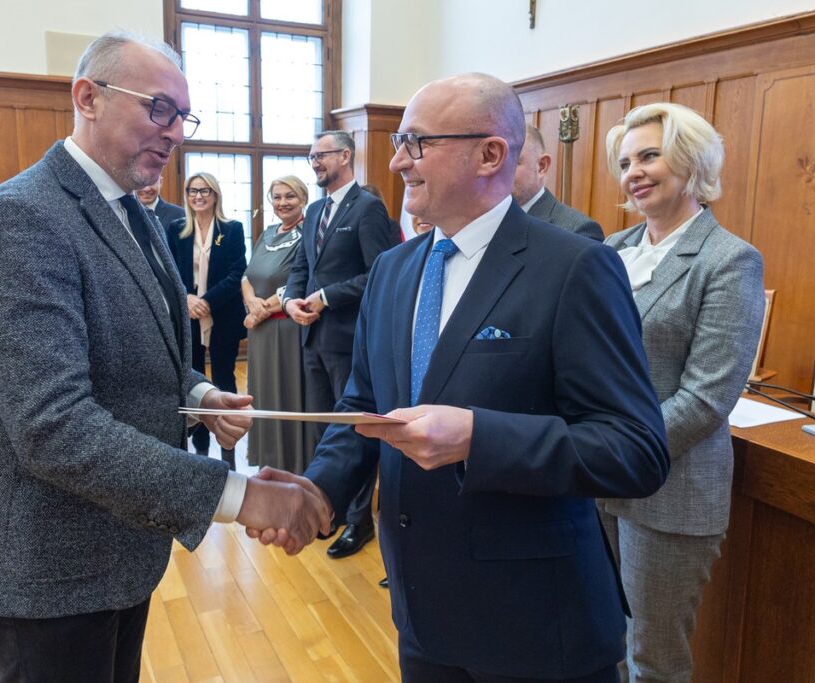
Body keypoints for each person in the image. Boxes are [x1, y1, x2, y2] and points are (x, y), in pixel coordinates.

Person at [0, 31, 329, 683]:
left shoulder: (134, 214)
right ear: (88, 97)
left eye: (182, 116)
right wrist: (239, 494)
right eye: (158, 108)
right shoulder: (19, 221)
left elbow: (144, 348)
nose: (173, 132)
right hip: (45, 568)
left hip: (118, 546)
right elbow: (54, 428)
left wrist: (202, 394)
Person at [258, 73, 669, 682]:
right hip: (422, 617)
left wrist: (480, 436)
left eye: (417, 143)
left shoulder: (575, 267)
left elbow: (635, 450)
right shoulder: (394, 271)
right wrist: (319, 489)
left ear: (490, 154)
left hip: (536, 624)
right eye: (400, 141)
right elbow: (364, 403)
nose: (397, 161)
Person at [598, 103, 765, 683]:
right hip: (595, 482)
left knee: (655, 658)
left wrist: (612, 452)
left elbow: (706, 399)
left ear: (691, 161)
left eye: (649, 155)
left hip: (669, 490)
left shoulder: (729, 260)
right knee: (603, 638)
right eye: (625, 162)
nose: (634, 173)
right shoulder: (611, 249)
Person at [283, 130, 400, 559]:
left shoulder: (368, 209)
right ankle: (325, 509)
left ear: (345, 156)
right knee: (322, 426)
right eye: (310, 155)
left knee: (351, 428)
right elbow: (302, 267)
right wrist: (291, 299)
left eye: (321, 155)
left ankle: (358, 521)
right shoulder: (313, 211)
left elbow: (378, 274)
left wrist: (327, 297)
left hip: (349, 339)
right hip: (311, 336)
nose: (314, 162)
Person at [168, 172, 247, 470]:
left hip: (221, 315)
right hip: (189, 318)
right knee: (195, 384)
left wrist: (207, 301)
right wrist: (187, 299)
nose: (198, 196)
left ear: (215, 194)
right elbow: (171, 271)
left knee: (225, 381)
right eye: (192, 191)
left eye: (204, 191)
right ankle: (199, 455)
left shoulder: (232, 228)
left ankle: (229, 454)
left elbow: (237, 271)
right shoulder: (177, 230)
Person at [240, 176, 317, 473]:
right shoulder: (268, 233)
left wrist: (260, 311)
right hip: (260, 332)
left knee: (289, 394)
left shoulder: (309, 233)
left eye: (290, 197)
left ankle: (296, 464)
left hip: (287, 330)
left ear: (303, 199)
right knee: (264, 396)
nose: (283, 203)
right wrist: (252, 304)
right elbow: (247, 276)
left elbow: (299, 282)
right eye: (277, 197)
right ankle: (270, 460)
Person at [513, 123, 604, 241]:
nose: (498, 172)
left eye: (512, 161)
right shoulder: (489, 221)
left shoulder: (578, 231)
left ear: (541, 166)